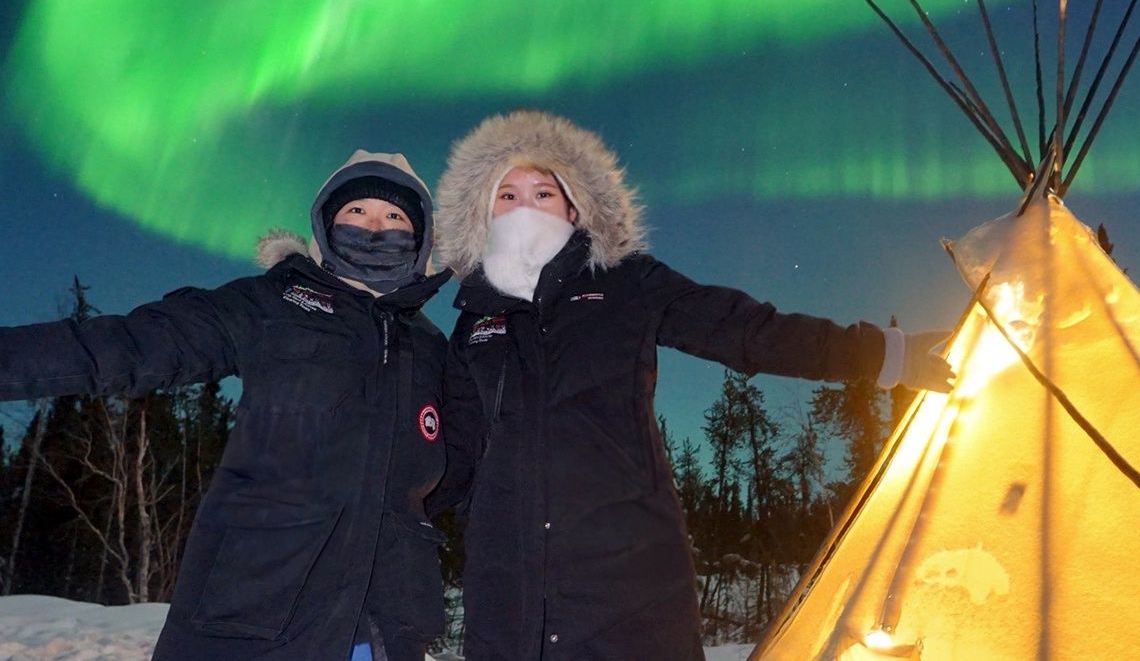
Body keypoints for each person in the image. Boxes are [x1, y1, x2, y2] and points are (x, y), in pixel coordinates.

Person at [433, 110, 952, 660]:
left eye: (542, 192)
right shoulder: (474, 323)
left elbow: (745, 330)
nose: (525, 208)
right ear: (482, 211)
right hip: (507, 608)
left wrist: (880, 354)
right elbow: (453, 459)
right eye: (507, 196)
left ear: (574, 205)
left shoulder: (626, 284)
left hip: (626, 593)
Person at [0, 150, 474, 661]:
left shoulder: (431, 346)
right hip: (253, 615)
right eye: (356, 211)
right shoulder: (270, 304)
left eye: (395, 216)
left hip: (384, 627)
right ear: (325, 223)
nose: (375, 226)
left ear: (421, 236)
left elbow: (461, 463)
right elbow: (133, 344)